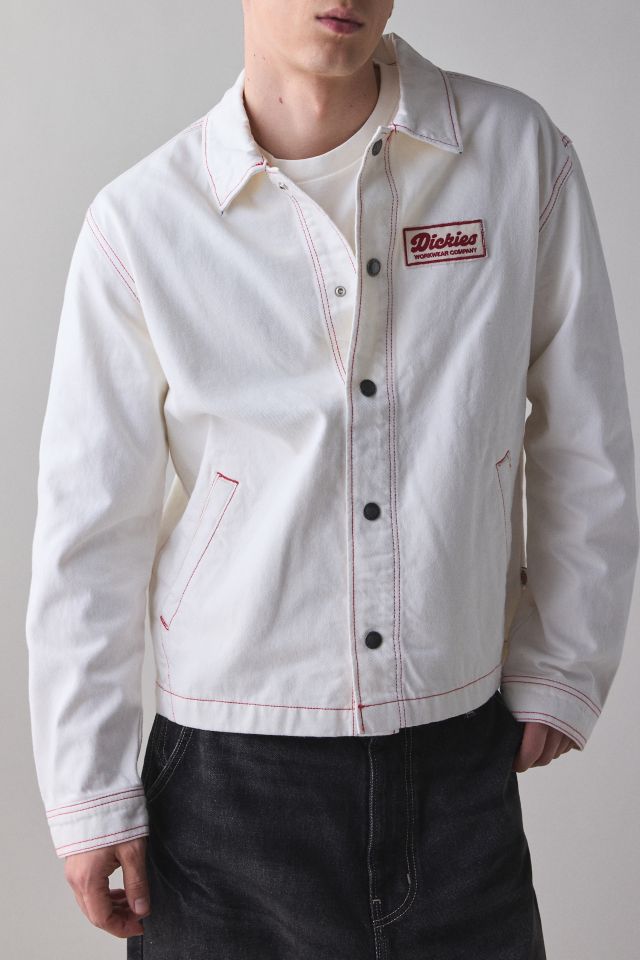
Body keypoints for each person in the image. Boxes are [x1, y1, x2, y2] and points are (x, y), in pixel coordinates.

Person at [25, 2, 639, 957]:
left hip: (459, 767)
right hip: (224, 786)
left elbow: (586, 432)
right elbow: (90, 527)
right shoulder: (141, 225)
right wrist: (88, 786)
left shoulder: (516, 157)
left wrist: (567, 658)